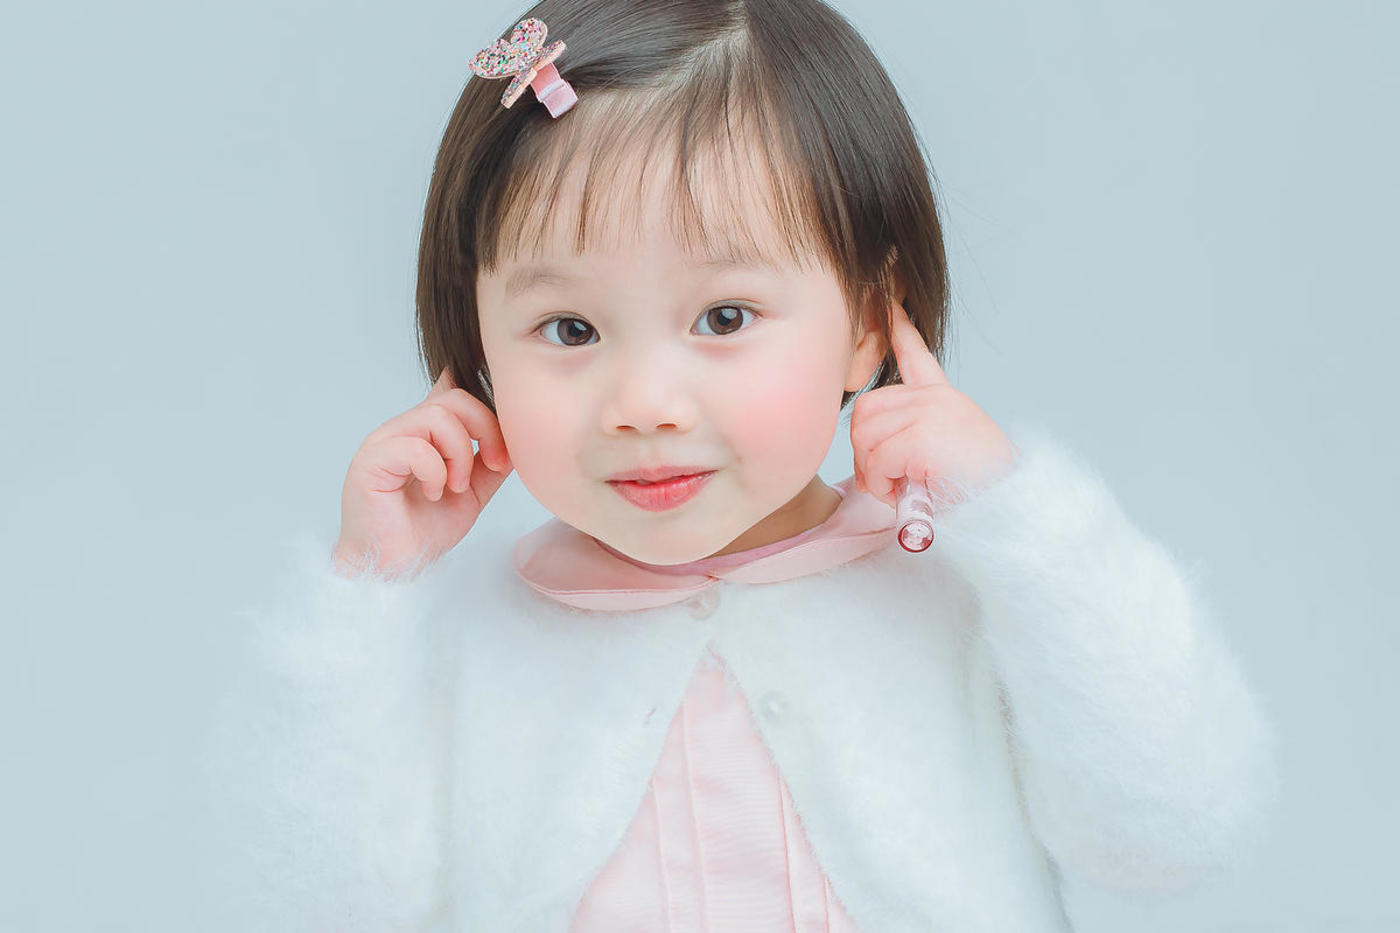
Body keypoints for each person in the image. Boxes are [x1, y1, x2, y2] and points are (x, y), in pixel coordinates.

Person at [203, 1, 1280, 929]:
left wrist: (1029, 529)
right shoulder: (466, 635)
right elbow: (318, 906)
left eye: (723, 316)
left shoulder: (959, 588)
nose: (643, 404)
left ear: (868, 323)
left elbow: (1173, 833)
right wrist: (366, 596)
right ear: (476, 350)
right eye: (570, 329)